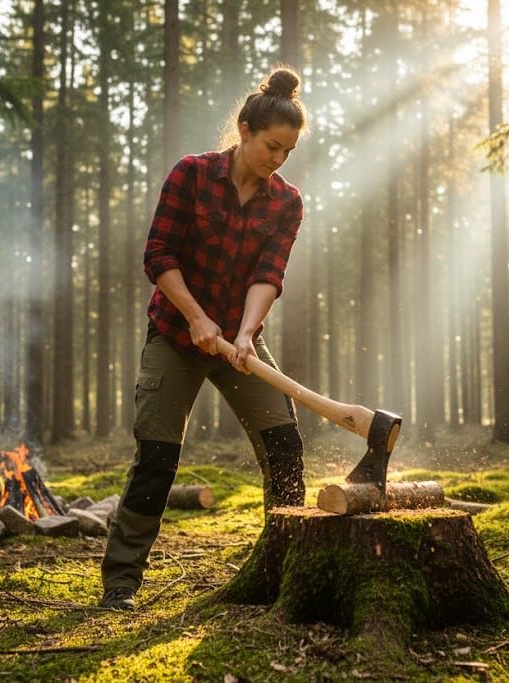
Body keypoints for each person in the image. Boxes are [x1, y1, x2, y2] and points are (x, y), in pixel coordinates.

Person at [100, 67, 310, 610]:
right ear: (243, 130)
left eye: (287, 151)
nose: (277, 160)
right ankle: (121, 582)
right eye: (271, 146)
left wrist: (244, 333)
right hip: (176, 334)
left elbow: (270, 275)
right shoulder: (190, 175)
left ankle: (285, 570)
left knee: (284, 446)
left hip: (237, 344)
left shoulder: (286, 202)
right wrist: (196, 317)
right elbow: (159, 256)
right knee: (157, 459)